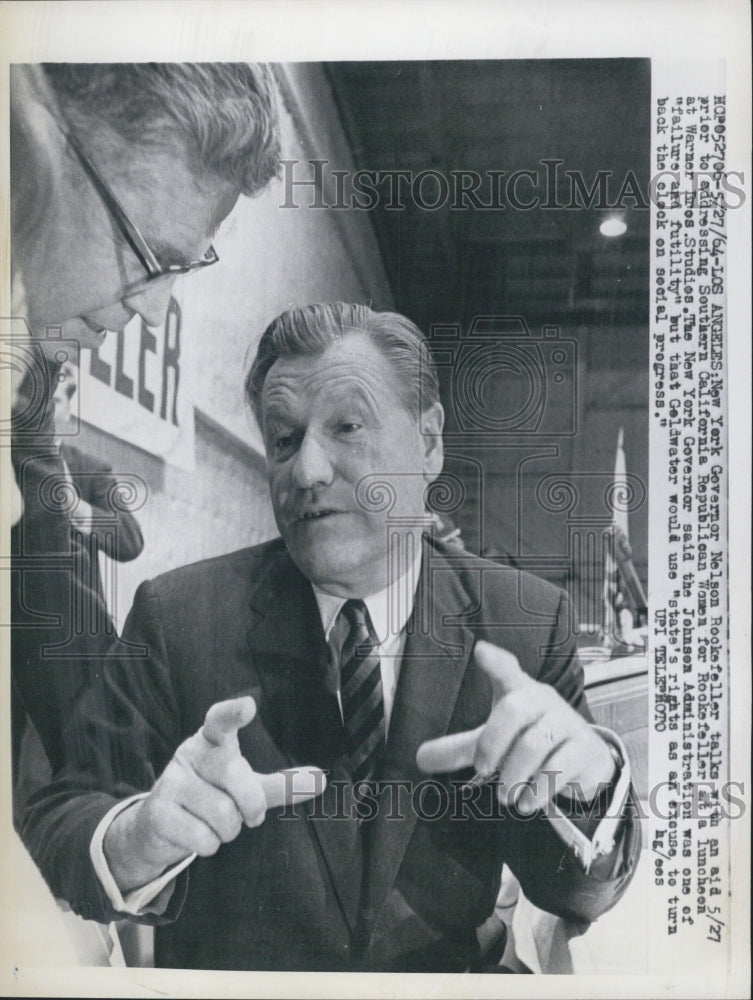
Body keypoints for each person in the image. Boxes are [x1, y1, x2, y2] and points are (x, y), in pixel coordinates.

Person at [21, 303, 641, 972]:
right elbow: (60, 821)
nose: (307, 470)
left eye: (347, 426)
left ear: (428, 441)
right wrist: (137, 837)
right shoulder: (178, 616)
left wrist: (587, 784)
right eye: (283, 440)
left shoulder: (523, 623)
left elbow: (574, 892)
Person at [9, 62, 280, 783]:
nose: (157, 312)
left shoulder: (33, 385)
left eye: (180, 271)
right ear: (34, 144)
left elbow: (122, 534)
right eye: (151, 256)